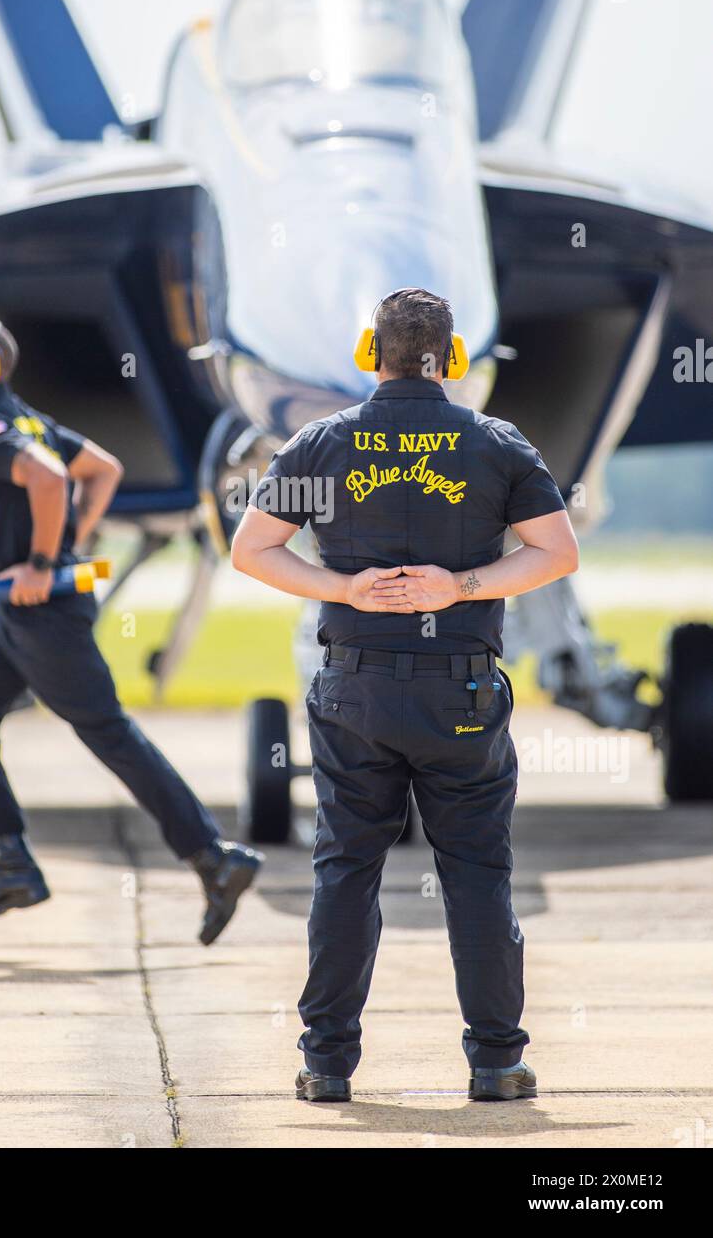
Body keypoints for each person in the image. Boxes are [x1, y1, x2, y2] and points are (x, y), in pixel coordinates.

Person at [231, 287, 579, 1103]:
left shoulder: (321, 445)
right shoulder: (495, 444)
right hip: (461, 697)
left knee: (345, 870)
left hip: (354, 694)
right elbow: (555, 553)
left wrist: (344, 590)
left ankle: (326, 1065)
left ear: (368, 353)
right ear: (452, 359)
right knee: (478, 876)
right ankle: (496, 1063)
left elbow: (253, 551)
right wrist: (459, 586)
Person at [0, 317, 262, 942]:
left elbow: (53, 479)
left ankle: (214, 859)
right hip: (22, 613)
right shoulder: (28, 420)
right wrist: (67, 547)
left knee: (109, 733)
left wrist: (40, 562)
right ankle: (13, 863)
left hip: (40, 612)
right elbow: (103, 470)